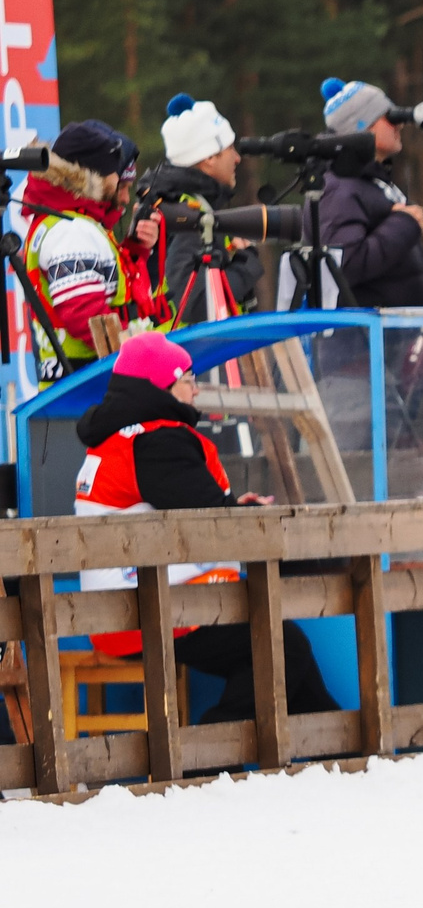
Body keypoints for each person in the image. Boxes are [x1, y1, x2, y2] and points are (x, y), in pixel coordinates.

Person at [73, 332, 334, 723]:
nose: (196, 390)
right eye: (188, 379)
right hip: (151, 611)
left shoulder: (119, 438)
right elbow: (214, 523)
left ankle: (341, 752)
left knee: (283, 647)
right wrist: (245, 517)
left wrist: (233, 508)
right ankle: (207, 758)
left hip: (124, 610)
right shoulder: (158, 440)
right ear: (161, 386)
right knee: (281, 644)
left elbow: (196, 509)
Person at [22, 119, 161, 378]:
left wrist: (136, 250)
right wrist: (143, 360)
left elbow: (107, 295)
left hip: (82, 383)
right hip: (90, 386)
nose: (124, 196)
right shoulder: (71, 230)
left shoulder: (69, 223)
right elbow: (87, 317)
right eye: (116, 179)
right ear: (94, 175)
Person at [314, 77, 423, 308]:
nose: (399, 125)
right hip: (364, 339)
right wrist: (404, 224)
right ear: (362, 127)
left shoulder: (370, 182)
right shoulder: (339, 188)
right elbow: (344, 264)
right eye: (389, 118)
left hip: (390, 336)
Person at [138, 93, 263, 322]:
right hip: (185, 353)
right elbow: (195, 306)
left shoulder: (175, 202)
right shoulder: (189, 214)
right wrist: (246, 264)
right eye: (230, 149)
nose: (237, 158)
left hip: (179, 350)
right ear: (209, 158)